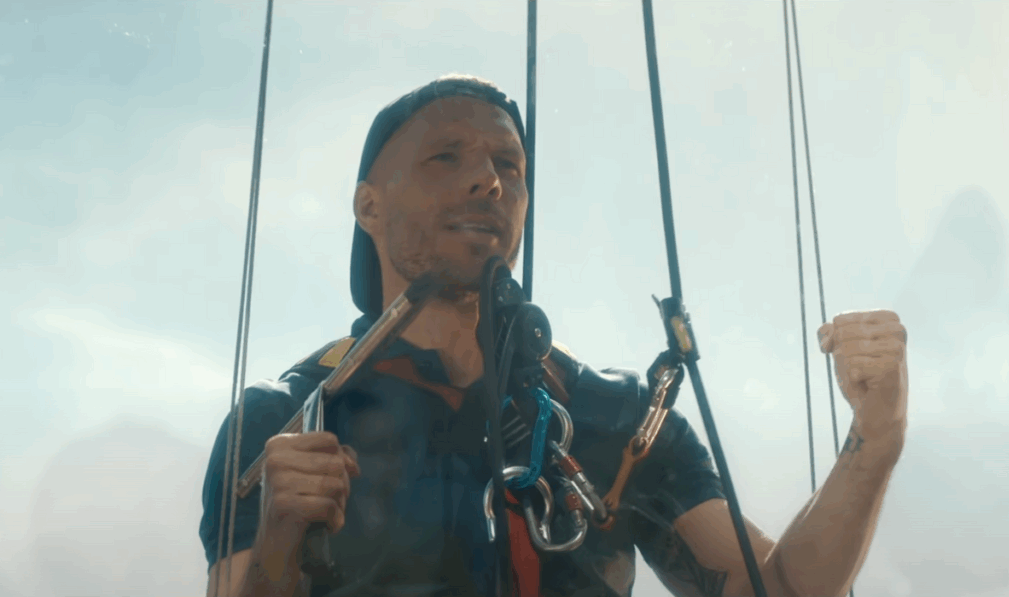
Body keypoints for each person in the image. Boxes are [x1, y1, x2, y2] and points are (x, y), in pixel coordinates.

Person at [200, 74, 909, 597]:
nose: (488, 182)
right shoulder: (281, 423)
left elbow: (777, 589)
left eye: (508, 166)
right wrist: (279, 540)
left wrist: (875, 439)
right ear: (368, 206)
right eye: (445, 156)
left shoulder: (616, 416)